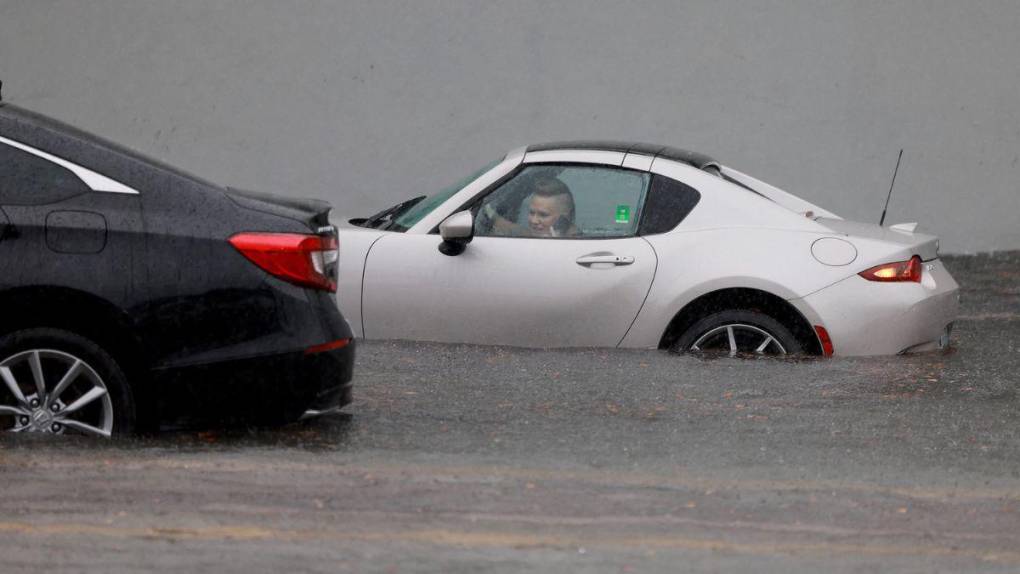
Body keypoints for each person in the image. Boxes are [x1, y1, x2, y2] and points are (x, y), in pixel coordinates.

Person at [483, 177, 578, 237]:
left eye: (543, 215)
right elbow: (515, 229)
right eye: (532, 212)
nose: (534, 221)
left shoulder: (574, 247)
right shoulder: (542, 234)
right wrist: (487, 210)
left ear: (564, 218)